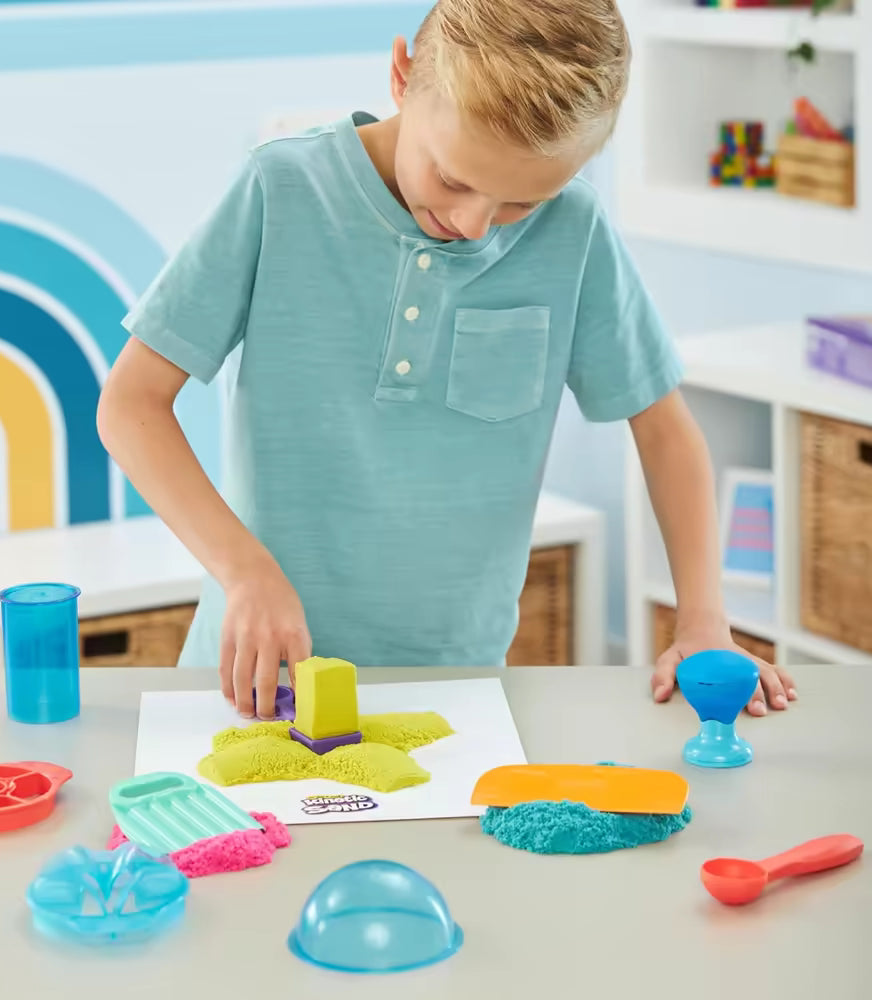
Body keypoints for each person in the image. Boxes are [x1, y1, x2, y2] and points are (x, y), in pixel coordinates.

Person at [96, 0, 797, 721]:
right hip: (256, 682)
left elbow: (666, 430)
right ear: (402, 76)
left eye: (521, 202)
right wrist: (244, 572)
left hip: (454, 698)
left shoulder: (574, 232)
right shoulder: (281, 190)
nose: (472, 226)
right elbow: (130, 405)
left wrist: (703, 621)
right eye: (455, 179)